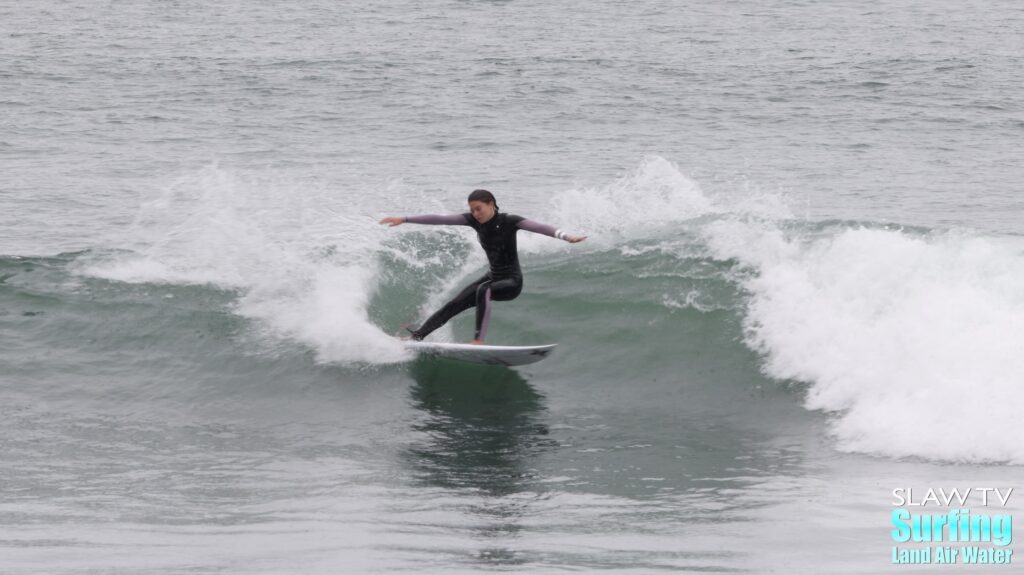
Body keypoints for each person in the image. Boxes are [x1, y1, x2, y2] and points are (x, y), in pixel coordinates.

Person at [379, 189, 586, 344]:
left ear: (492, 204)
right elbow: (439, 219)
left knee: (483, 289)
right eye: (472, 210)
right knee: (455, 303)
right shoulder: (473, 221)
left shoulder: (509, 221)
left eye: (479, 208)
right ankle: (417, 337)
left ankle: (478, 340)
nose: (475, 213)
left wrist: (566, 237)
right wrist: (404, 219)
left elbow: (539, 227)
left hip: (511, 282)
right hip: (493, 276)